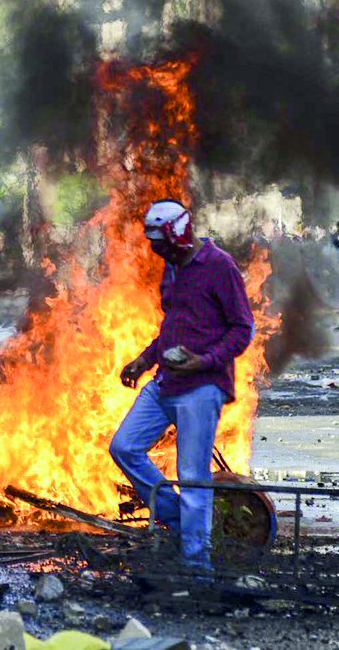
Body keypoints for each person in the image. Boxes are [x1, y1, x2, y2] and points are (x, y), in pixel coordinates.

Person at [109, 200, 254, 574]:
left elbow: (242, 329)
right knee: (124, 447)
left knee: (193, 477)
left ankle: (196, 564)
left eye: (162, 245)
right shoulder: (171, 269)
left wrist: (203, 361)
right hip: (165, 382)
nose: (158, 252)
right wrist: (144, 360)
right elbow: (172, 325)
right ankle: (176, 521)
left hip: (202, 387)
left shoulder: (219, 266)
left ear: (180, 234)